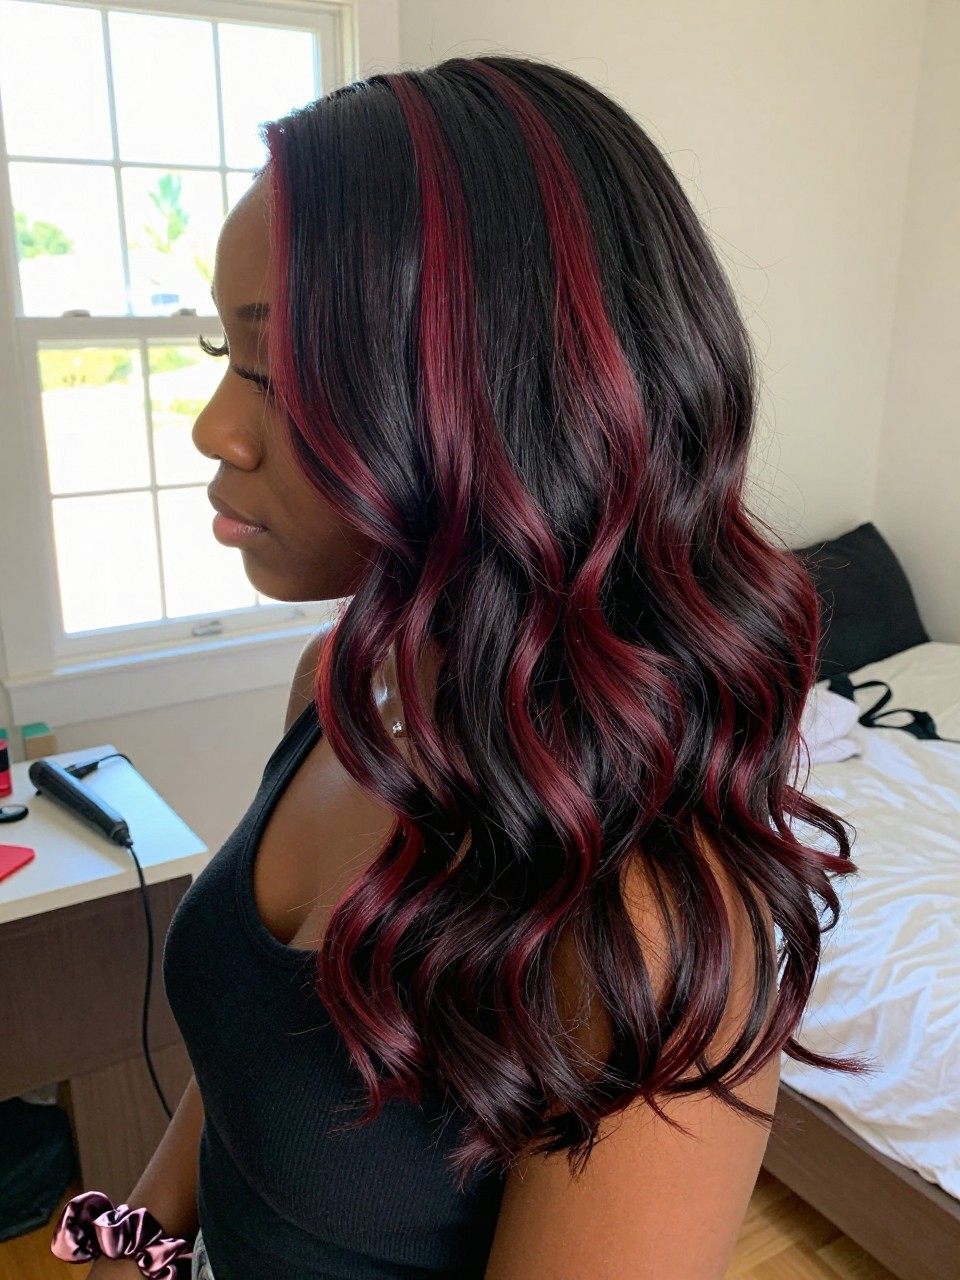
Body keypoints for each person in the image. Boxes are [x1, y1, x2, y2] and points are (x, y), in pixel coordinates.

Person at [78, 55, 862, 1279]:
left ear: (493, 399)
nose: (214, 429)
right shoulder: (342, 687)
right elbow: (243, 1079)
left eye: (273, 374)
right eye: (223, 357)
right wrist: (119, 1243)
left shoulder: (648, 935)